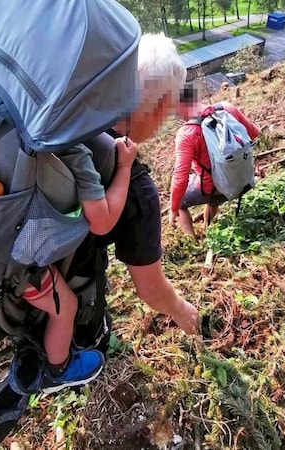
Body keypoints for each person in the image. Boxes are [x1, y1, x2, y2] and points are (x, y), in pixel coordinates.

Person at [73, 33, 199, 338]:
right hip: (73, 296)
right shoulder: (136, 186)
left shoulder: (71, 122)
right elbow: (150, 289)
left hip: (15, 280)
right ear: (158, 108)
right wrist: (183, 310)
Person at [20, 135, 138, 394]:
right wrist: (125, 166)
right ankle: (58, 369)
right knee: (65, 308)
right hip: (16, 262)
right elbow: (102, 221)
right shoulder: (68, 143)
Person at [168, 84, 260, 239]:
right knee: (212, 186)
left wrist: (173, 208)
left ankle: (193, 242)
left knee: (181, 202)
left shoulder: (187, 133)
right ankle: (207, 228)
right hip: (243, 181)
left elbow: (180, 177)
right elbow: (254, 134)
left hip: (215, 190)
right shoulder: (226, 108)